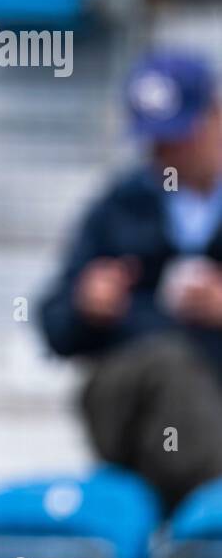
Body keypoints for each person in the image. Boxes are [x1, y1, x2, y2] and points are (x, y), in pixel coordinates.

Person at [41, 51, 222, 511]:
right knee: (168, 368)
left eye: (178, 138)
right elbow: (53, 323)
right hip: (134, 404)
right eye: (155, 142)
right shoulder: (118, 206)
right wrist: (86, 304)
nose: (164, 155)